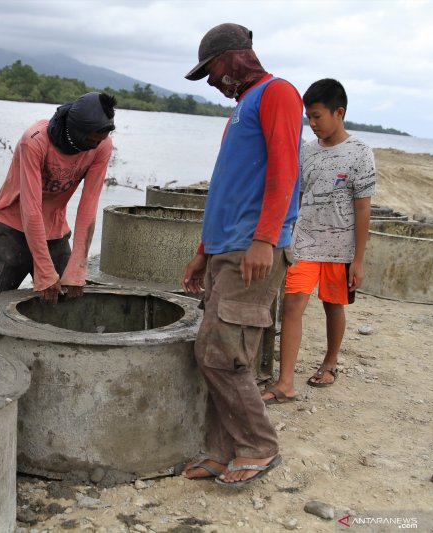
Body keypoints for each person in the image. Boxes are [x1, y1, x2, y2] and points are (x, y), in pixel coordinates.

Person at [179, 23, 302, 488]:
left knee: (224, 353)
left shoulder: (277, 93)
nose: (212, 82)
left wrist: (265, 239)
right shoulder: (241, 109)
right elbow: (227, 191)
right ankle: (222, 448)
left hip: (252, 249)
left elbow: (286, 171)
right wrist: (202, 252)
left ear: (234, 58)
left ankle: (258, 446)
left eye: (211, 71)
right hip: (225, 250)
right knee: (217, 351)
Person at [261, 79, 375, 404]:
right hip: (305, 243)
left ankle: (330, 362)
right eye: (307, 117)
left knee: (333, 306)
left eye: (317, 116)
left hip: (340, 249)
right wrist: (283, 235)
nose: (311, 124)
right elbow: (295, 195)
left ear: (339, 112)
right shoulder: (305, 150)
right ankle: (285, 382)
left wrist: (359, 259)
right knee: (293, 305)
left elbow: (363, 207)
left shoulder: (360, 154)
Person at [0, 92, 117, 304]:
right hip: (12, 225)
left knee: (70, 299)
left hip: (54, 228)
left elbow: (88, 207)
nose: (94, 146)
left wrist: (78, 267)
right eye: (90, 140)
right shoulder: (35, 141)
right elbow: (30, 208)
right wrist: (45, 272)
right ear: (75, 130)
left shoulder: (102, 145)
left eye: (99, 141)